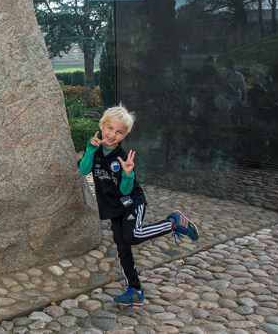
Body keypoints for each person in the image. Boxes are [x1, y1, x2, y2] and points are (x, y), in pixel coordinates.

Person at [79, 104, 199, 307]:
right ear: (101, 125)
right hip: (113, 207)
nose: (112, 135)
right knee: (122, 246)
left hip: (132, 202)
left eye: (119, 132)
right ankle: (135, 290)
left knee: (132, 236)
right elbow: (84, 169)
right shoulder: (95, 149)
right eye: (109, 128)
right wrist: (90, 149)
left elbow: (126, 190)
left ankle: (173, 223)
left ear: (124, 135)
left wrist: (127, 173)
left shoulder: (123, 157)